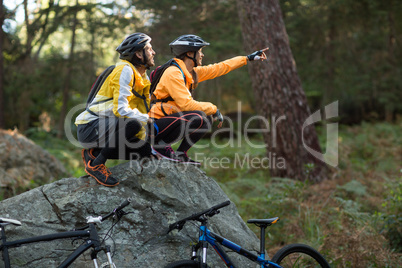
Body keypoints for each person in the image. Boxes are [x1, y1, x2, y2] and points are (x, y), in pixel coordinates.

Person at [148, 34, 268, 165]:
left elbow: (220, 68)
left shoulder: (191, 73)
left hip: (169, 120)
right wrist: (214, 109)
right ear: (189, 53)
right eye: (200, 51)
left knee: (206, 120)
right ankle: (159, 145)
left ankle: (180, 154)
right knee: (198, 116)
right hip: (155, 124)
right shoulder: (173, 73)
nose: (202, 55)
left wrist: (247, 58)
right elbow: (187, 105)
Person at [75, 32, 156, 187]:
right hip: (91, 127)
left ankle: (93, 153)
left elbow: (139, 110)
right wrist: (147, 120)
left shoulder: (142, 77)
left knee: (143, 150)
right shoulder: (124, 70)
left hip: (108, 126)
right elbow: (121, 110)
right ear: (139, 54)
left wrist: (145, 145)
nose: (153, 52)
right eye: (149, 49)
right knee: (134, 124)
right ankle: (96, 164)